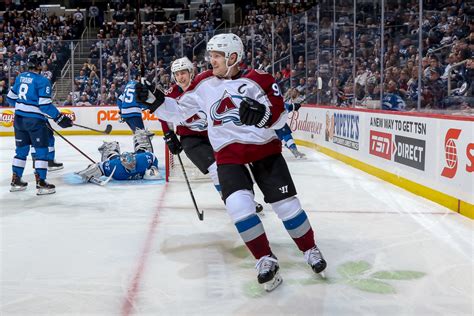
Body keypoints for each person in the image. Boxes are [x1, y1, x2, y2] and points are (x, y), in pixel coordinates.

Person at [136, 33, 326, 291]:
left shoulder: (260, 79)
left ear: (233, 57)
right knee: (238, 207)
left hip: (264, 152)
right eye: (210, 55)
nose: (210, 60)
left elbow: (280, 117)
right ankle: (264, 258)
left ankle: (309, 249)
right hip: (228, 156)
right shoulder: (203, 82)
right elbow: (180, 111)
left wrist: (263, 117)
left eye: (216, 56)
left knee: (287, 206)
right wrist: (155, 100)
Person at [162, 57, 263, 212]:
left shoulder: (204, 86)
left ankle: (245, 199)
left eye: (183, 73)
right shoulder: (171, 93)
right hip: (191, 140)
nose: (180, 77)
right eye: (176, 74)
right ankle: (230, 200)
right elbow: (163, 113)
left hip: (213, 134)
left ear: (191, 72)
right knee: (216, 168)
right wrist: (169, 135)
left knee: (235, 166)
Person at [6, 51, 73, 195]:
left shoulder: (20, 77)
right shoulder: (42, 81)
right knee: (41, 151)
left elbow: (10, 98)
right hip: (35, 122)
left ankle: (16, 181)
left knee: (21, 151)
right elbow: (44, 106)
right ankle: (41, 183)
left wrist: (23, 106)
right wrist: (59, 117)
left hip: (19, 120)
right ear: (40, 64)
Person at [76, 129, 160, 183]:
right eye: (129, 165)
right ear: (123, 164)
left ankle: (140, 137)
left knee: (143, 150)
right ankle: (110, 146)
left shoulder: (142, 160)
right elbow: (100, 166)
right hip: (117, 160)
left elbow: (152, 157)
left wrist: (154, 167)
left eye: (133, 164)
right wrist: (90, 172)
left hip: (135, 157)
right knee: (112, 155)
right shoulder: (115, 166)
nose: (132, 166)